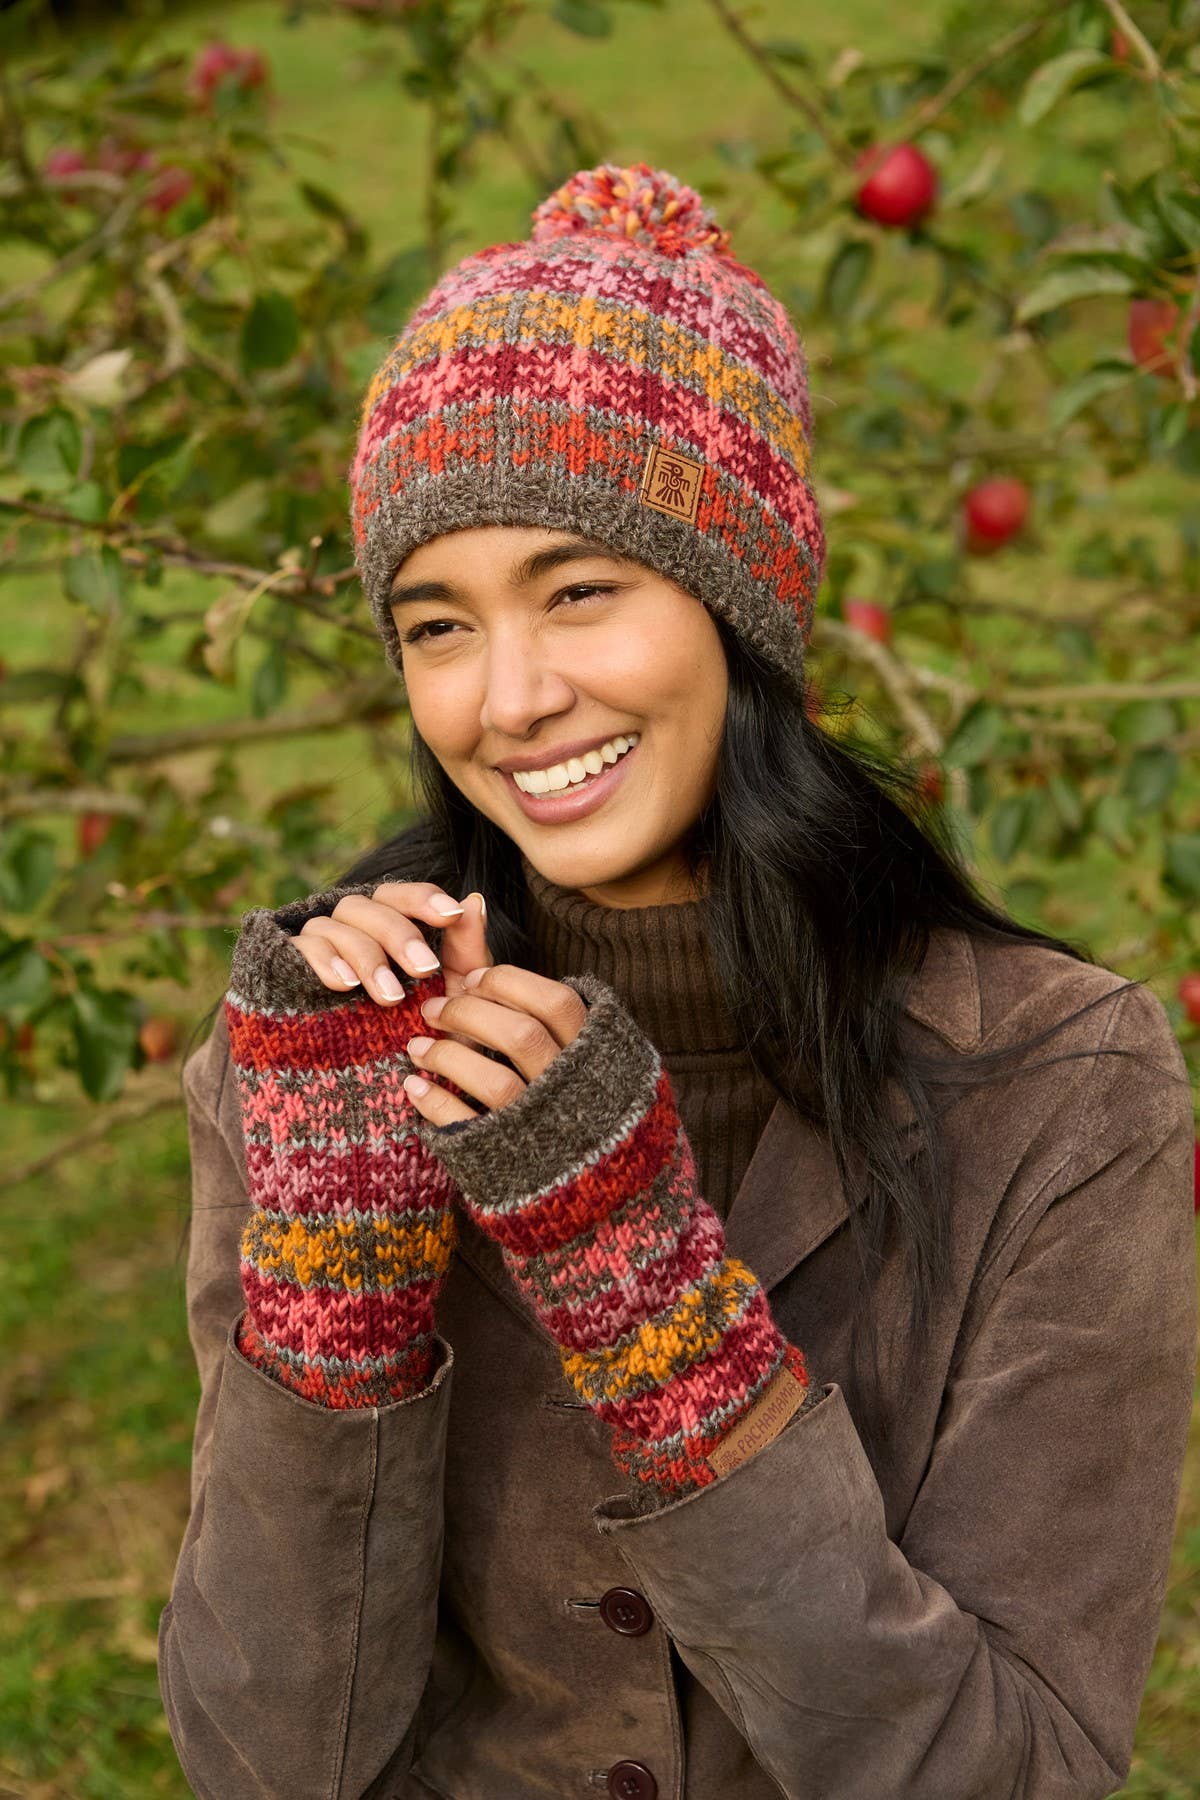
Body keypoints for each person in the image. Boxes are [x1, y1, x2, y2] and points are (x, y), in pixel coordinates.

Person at [157, 162, 1196, 1800]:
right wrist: (337, 1284)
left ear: (737, 605)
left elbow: (1020, 1772)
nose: (510, 698)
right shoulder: (320, 1066)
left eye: (580, 591)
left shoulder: (1062, 1083)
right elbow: (264, 1760)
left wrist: (654, 1307)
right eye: (437, 627)